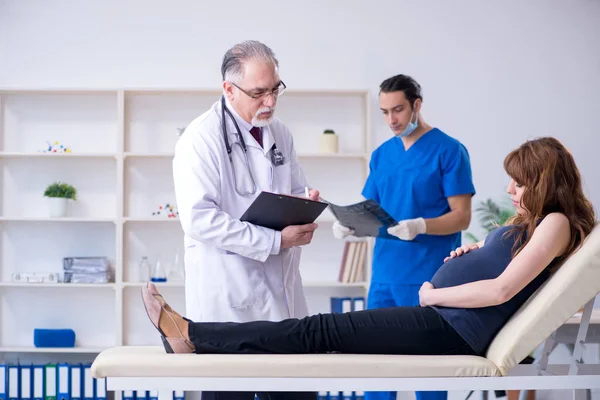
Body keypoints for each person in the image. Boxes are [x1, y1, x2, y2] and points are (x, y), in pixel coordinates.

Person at [145, 137, 595, 371]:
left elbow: (501, 289)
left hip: (449, 326)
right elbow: (506, 268)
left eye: (519, 183)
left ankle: (193, 334)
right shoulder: (541, 223)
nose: (510, 190)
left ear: (543, 182)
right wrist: (482, 247)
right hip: (445, 322)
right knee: (316, 332)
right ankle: (195, 335)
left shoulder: (554, 221)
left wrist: (434, 296)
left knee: (318, 331)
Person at [172, 40, 320, 400]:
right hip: (229, 297)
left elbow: (294, 186)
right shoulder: (201, 138)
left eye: (275, 90)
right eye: (258, 93)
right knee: (229, 395)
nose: (269, 102)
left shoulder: (279, 132)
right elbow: (199, 219)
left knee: (296, 394)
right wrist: (274, 240)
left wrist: (304, 204)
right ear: (229, 89)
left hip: (281, 298)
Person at [333, 74, 476, 400]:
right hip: (384, 278)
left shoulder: (449, 151)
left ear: (417, 105)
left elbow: (462, 216)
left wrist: (422, 226)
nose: (391, 120)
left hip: (428, 280)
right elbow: (372, 209)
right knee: (378, 372)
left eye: (397, 110)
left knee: (428, 375)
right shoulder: (383, 154)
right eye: (384, 112)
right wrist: (349, 226)